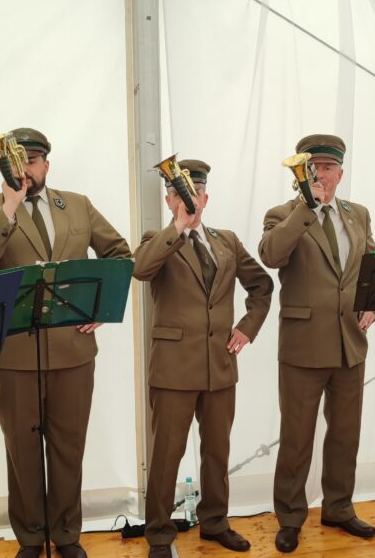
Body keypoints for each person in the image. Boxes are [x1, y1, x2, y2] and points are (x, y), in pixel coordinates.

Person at [0, 127, 131, 558]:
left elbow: (119, 252)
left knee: (68, 448)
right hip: (13, 354)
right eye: (17, 162)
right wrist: (9, 207)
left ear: (46, 165)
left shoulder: (77, 204)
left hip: (74, 351)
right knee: (21, 450)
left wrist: (103, 306)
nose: (26, 169)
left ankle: (67, 534)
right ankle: (31, 537)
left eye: (33, 161)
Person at [133, 159, 273, 558]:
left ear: (206, 198)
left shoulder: (227, 240)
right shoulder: (156, 239)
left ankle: (215, 522)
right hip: (174, 369)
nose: (188, 199)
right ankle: (159, 534)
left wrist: (247, 327)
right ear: (169, 200)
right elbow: (140, 270)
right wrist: (178, 226)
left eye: (194, 192)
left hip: (220, 366)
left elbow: (262, 285)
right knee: (166, 456)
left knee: (216, 452)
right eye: (179, 193)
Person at [258, 134, 375, 553]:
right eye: (314, 168)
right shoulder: (282, 214)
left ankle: (339, 508)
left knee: (346, 434)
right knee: (297, 438)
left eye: (328, 167)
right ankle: (290, 517)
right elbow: (271, 255)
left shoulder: (358, 214)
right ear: (302, 173)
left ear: (340, 173)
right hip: (303, 346)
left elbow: (372, 264)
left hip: (350, 344)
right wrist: (307, 209)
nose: (321, 174)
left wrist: (373, 303)